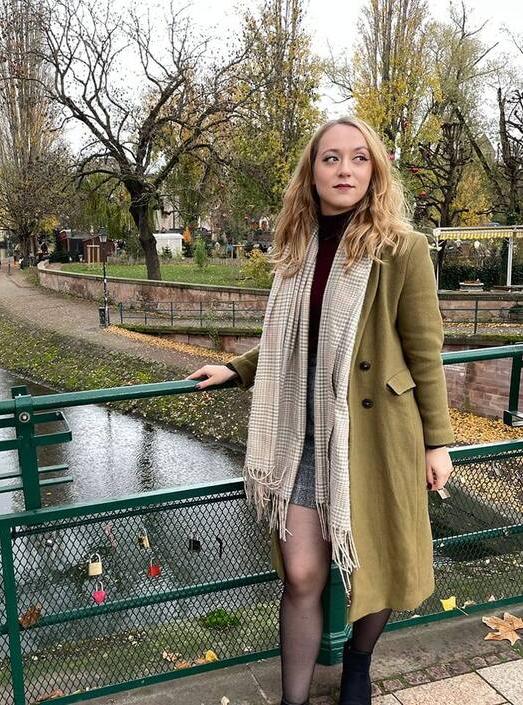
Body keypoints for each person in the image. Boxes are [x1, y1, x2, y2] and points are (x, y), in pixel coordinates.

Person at [186, 116, 454, 705]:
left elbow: (424, 352)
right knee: (303, 574)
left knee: (376, 562)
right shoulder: (296, 249)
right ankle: (294, 700)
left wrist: (437, 442)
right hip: (302, 435)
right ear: (311, 173)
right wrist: (238, 368)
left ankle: (358, 661)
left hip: (376, 433)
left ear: (374, 171)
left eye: (359, 158)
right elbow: (293, 340)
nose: (345, 170)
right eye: (331, 158)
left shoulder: (401, 249)